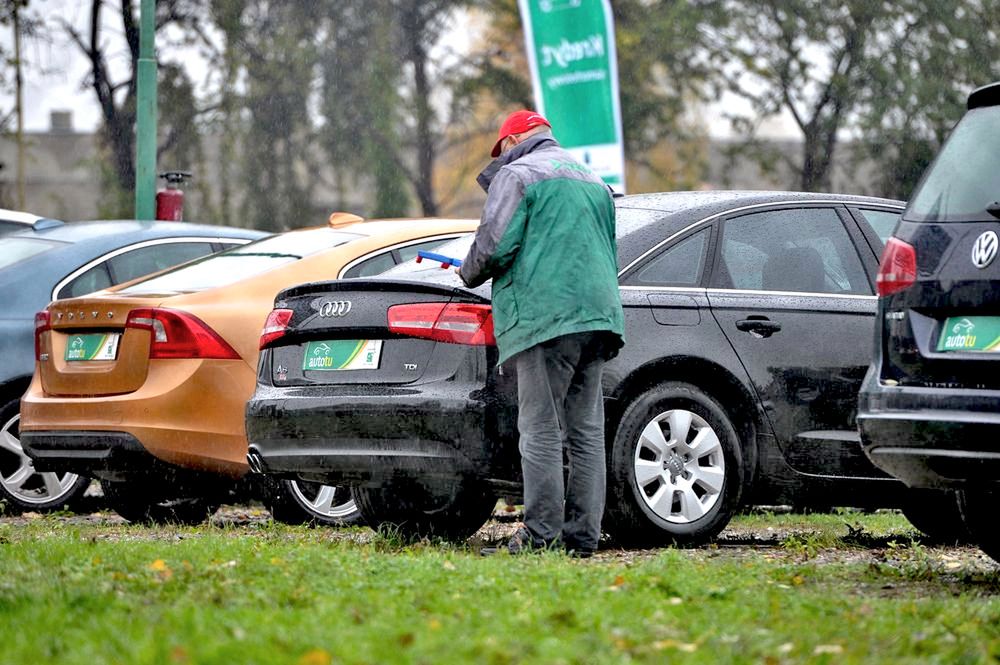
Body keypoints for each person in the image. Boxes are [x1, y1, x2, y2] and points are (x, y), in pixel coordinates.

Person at [459, 110, 625, 557]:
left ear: (513, 139)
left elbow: (494, 245)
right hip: (598, 317)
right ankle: (582, 539)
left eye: (503, 147)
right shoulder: (594, 181)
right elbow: (607, 251)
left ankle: (540, 537)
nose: (504, 155)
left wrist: (466, 271)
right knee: (587, 432)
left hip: (545, 318)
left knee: (540, 430)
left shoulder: (517, 175)